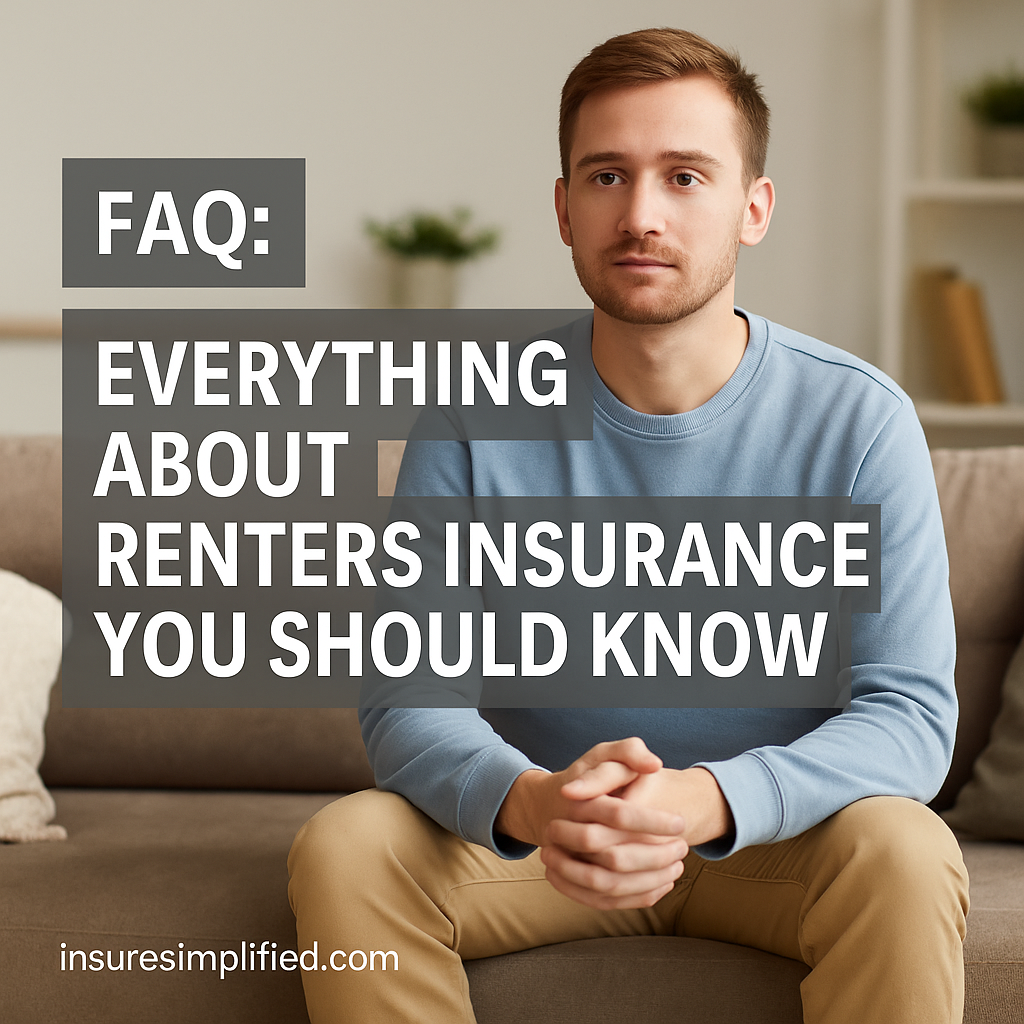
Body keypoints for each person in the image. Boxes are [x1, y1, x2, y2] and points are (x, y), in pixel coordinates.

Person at [288, 27, 969, 1024]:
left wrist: (704, 800)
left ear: (753, 208)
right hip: (546, 848)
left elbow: (909, 720)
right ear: (563, 208)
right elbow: (405, 704)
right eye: (607, 175)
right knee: (347, 844)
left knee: (906, 849)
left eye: (685, 176)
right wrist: (536, 804)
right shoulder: (469, 417)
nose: (640, 214)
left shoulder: (861, 420)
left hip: (779, 851)